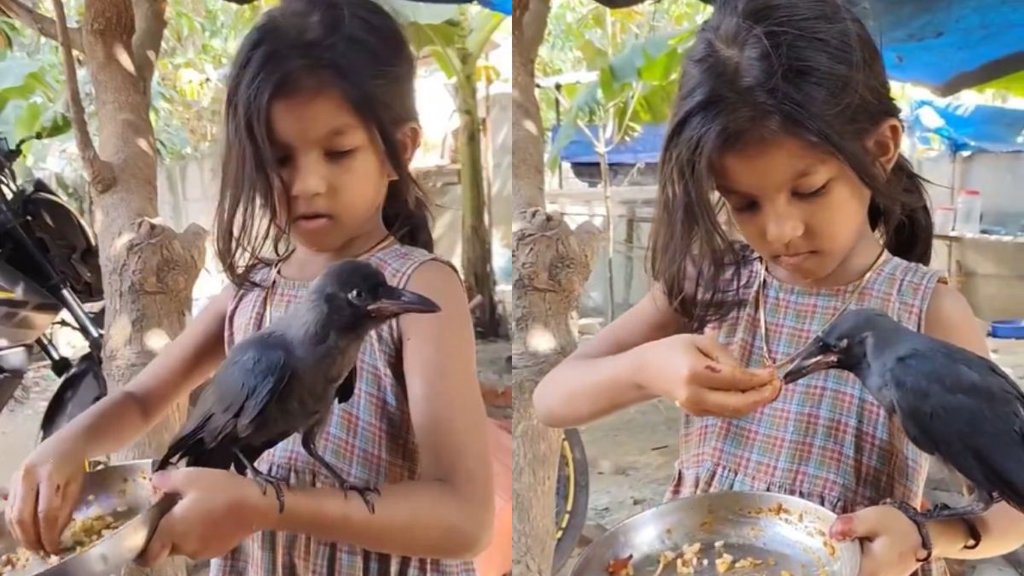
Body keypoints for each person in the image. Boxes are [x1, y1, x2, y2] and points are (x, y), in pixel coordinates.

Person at [532, 0, 1024, 574]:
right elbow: (551, 399)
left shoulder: (927, 310)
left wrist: (924, 537)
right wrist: (647, 370)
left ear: (882, 150)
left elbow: (1008, 513)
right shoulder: (713, 279)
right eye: (743, 203)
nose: (780, 231)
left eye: (810, 189)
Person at [4, 1, 494, 574]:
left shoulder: (418, 291)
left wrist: (267, 506)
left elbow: (466, 519)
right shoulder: (253, 292)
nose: (306, 184)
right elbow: (141, 398)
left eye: (338, 152)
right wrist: (65, 447)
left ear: (399, 152)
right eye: (278, 158)